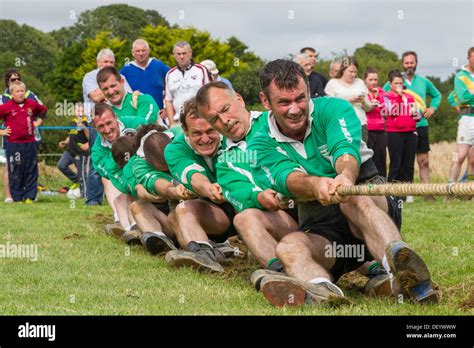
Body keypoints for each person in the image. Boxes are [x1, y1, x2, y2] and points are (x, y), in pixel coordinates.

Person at [246, 59, 437, 307]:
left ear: (307, 90)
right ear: (265, 100)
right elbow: (287, 176)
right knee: (288, 247)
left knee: (353, 199)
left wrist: (345, 177)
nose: (295, 109)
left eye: (300, 99)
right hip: (323, 226)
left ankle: (409, 279)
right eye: (284, 102)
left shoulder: (334, 109)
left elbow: (344, 151)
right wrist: (315, 185)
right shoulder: (259, 142)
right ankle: (323, 292)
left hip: (367, 196)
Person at [195, 82, 299, 275]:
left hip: (320, 206)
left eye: (225, 109)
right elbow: (238, 193)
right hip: (285, 220)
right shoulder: (224, 161)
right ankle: (283, 275)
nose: (224, 120)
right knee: (244, 218)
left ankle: (370, 266)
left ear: (239, 99)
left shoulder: (275, 121)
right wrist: (259, 197)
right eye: (214, 119)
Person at [164, 98, 238, 272]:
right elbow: (193, 175)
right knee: (175, 215)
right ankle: (205, 253)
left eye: (210, 130)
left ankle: (209, 251)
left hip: (248, 205)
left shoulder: (234, 137)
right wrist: (210, 189)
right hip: (215, 210)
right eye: (197, 133)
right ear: (185, 131)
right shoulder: (175, 148)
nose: (205, 139)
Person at [384, 51, 442, 201]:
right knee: (398, 162)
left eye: (412, 62)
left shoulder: (424, 81)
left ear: (416, 63)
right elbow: (384, 97)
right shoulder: (395, 80)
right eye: (406, 63)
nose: (409, 65)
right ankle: (396, 193)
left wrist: (432, 108)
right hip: (397, 129)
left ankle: (426, 192)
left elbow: (437, 95)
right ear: (403, 64)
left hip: (420, 124)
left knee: (423, 160)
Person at [90, 103, 149, 242]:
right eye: (101, 127)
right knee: (118, 194)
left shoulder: (136, 124)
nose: (107, 129)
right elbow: (112, 173)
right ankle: (129, 225)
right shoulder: (97, 152)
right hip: (126, 183)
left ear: (116, 117)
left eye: (109, 123)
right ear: (95, 127)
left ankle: (130, 224)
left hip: (149, 172)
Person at [82, 48, 131, 207]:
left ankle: (123, 194)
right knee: (99, 163)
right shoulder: (89, 77)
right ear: (98, 63)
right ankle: (94, 199)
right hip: (98, 124)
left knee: (122, 158)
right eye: (105, 62)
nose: (108, 65)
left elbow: (129, 96)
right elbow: (96, 97)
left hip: (117, 123)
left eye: (111, 62)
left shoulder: (121, 77)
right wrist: (113, 88)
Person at [0, 80, 47, 203]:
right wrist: (2, 132)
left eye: (22, 91)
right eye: (17, 91)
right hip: (14, 144)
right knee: (16, 169)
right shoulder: (5, 107)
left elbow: (43, 110)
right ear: (12, 94)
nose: (20, 93)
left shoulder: (31, 104)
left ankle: (30, 197)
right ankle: (17, 197)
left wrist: (38, 122)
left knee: (31, 169)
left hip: (30, 143)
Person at [324, 56, 374, 142]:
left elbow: (368, 108)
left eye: (355, 72)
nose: (353, 74)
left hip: (360, 125)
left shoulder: (360, 82)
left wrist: (363, 102)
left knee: (362, 154)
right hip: (341, 125)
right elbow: (329, 107)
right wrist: (349, 100)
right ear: (343, 70)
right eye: (350, 71)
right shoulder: (332, 83)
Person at [384, 70, 421, 184]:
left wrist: (416, 114)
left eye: (401, 83)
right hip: (395, 133)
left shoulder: (409, 97)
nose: (399, 85)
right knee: (396, 163)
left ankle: (408, 192)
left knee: (409, 164)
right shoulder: (386, 97)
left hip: (410, 133)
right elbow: (392, 112)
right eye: (396, 83)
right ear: (390, 84)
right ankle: (392, 192)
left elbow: (417, 116)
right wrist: (399, 97)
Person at [164, 41, 210, 126]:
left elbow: (209, 95)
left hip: (198, 118)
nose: (182, 57)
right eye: (178, 54)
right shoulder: (170, 74)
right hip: (178, 121)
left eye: (184, 53)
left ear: (190, 53)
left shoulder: (201, 70)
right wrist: (171, 123)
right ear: (174, 55)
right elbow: (168, 100)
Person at [447, 47, 474, 187]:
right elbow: (463, 98)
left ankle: (469, 189)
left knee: (473, 159)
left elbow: (469, 95)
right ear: (468, 58)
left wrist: (471, 94)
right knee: (460, 155)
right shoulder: (460, 76)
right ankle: (450, 188)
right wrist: (467, 97)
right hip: (467, 119)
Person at [120, 39, 170, 110]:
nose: (141, 53)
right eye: (138, 51)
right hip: (138, 113)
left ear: (148, 51)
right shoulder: (126, 69)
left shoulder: (159, 65)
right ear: (132, 52)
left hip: (159, 113)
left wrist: (166, 108)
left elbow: (172, 86)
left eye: (143, 50)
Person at [57, 104, 90, 198]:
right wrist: (64, 142)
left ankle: (85, 194)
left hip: (80, 153)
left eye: (81, 110)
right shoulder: (72, 122)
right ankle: (76, 180)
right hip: (70, 151)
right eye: (77, 110)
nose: (79, 111)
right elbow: (71, 135)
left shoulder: (86, 122)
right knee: (61, 165)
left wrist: (84, 128)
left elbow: (89, 137)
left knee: (82, 174)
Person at [364, 67, 387, 178]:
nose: (373, 82)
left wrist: (379, 99)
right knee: (368, 159)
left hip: (380, 130)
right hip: (367, 129)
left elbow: (388, 110)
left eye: (375, 80)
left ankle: (382, 186)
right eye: (371, 79)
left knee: (381, 159)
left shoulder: (383, 92)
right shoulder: (362, 93)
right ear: (365, 80)